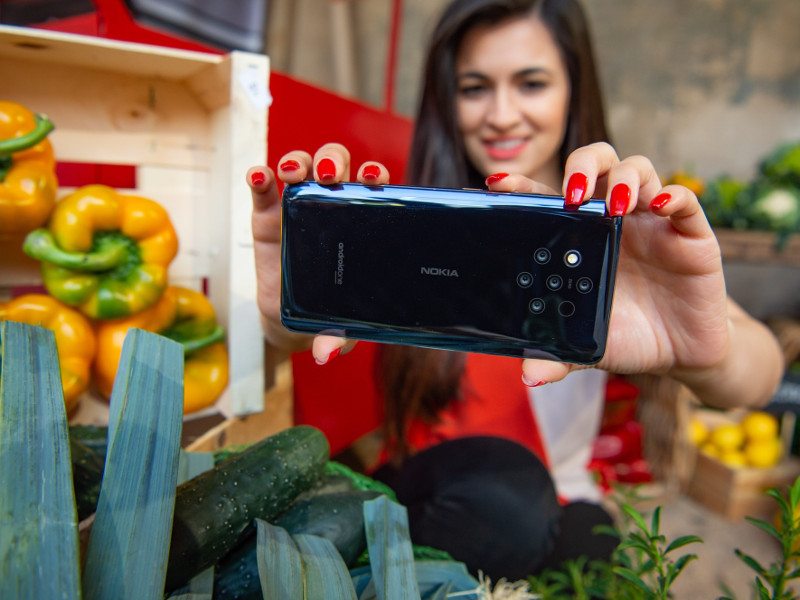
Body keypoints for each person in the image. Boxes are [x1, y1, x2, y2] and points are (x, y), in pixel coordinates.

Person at [247, 0, 784, 580]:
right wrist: (285, 321)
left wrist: (702, 349)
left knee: (581, 539)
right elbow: (289, 358)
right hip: (441, 503)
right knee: (506, 505)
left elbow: (761, 371)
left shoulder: (627, 239)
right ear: (447, 101)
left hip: (548, 507)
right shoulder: (412, 228)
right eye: (475, 87)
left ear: (574, 90)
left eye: (531, 83)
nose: (501, 114)